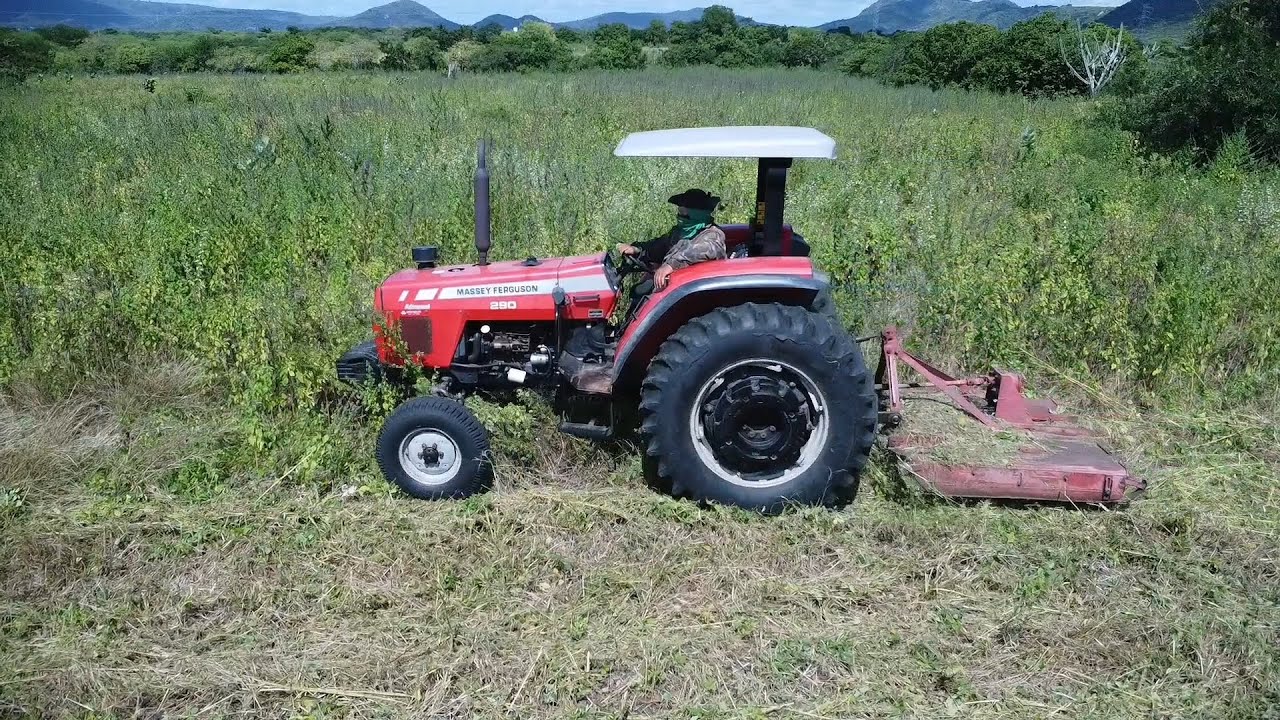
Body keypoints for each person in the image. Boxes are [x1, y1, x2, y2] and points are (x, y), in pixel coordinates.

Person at [616, 188, 727, 293]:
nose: (680, 217)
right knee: (638, 291)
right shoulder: (679, 232)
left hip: (697, 290)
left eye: (684, 214)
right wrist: (637, 249)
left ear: (697, 213)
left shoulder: (713, 235)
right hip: (676, 284)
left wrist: (671, 265)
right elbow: (659, 246)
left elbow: (700, 250)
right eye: (679, 213)